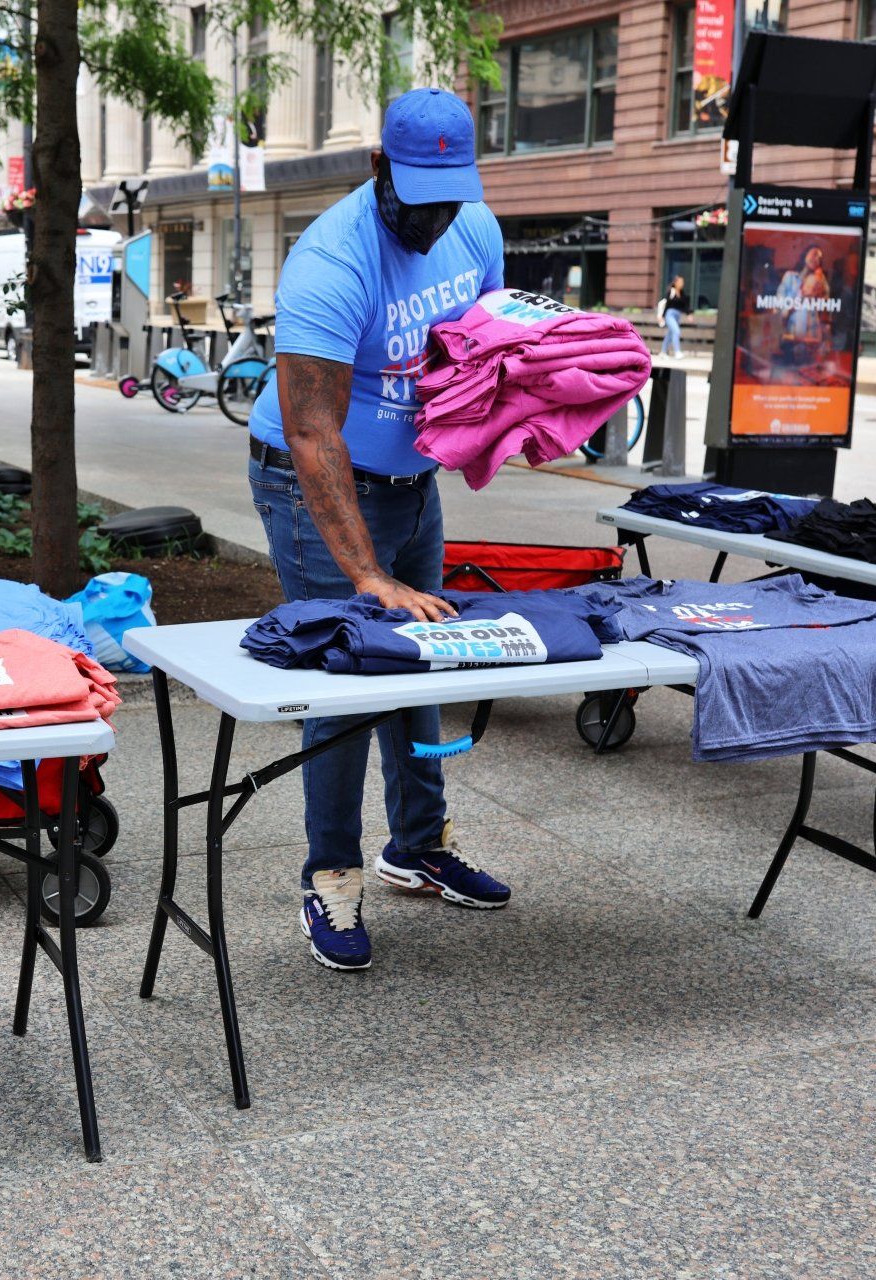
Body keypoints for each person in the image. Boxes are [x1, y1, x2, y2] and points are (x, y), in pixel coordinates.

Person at [245, 87, 512, 973]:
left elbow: (483, 353)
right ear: (377, 167)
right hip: (313, 485)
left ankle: (419, 845)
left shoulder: (474, 227)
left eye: (451, 199)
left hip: (411, 480)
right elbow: (314, 433)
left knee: (424, 658)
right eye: (419, 199)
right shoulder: (330, 260)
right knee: (349, 680)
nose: (436, 221)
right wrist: (368, 576)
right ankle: (329, 876)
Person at [659, 274, 688, 359]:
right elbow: (667, 304)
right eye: (680, 282)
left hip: (677, 315)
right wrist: (662, 316)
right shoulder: (671, 291)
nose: (682, 284)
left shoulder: (682, 293)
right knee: (676, 331)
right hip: (670, 314)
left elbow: (685, 305)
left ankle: (663, 352)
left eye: (682, 282)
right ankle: (677, 351)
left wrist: (689, 313)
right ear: (676, 283)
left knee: (670, 334)